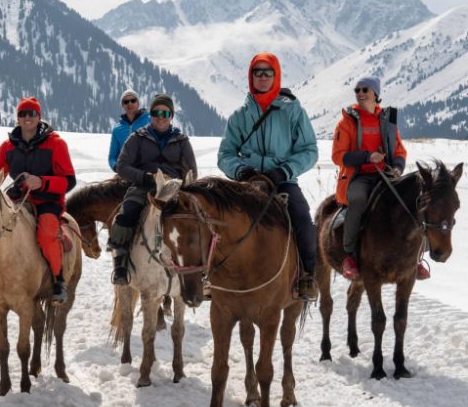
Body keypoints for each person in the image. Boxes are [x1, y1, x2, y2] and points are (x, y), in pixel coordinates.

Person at [218, 53, 319, 301]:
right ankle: (215, 277)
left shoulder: (293, 111)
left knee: (303, 220)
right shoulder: (240, 115)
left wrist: (284, 170)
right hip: (247, 180)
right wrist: (241, 170)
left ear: (276, 75)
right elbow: (225, 154)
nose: (262, 77)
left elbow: (310, 150)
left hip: (282, 179)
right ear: (251, 77)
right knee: (218, 221)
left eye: (267, 72)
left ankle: (307, 275)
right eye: (257, 72)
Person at [0, 97, 77, 303]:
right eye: (22, 114)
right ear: (17, 118)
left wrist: (42, 182)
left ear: (39, 117)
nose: (27, 118)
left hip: (48, 200)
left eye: (31, 114)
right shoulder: (8, 146)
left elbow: (69, 180)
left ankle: (58, 280)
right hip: (18, 197)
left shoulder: (56, 143)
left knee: (46, 234)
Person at [331, 76, 415, 281]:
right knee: (358, 201)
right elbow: (338, 156)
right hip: (359, 175)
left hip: (385, 174)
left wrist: (397, 167)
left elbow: (399, 151)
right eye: (357, 90)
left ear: (375, 94)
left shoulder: (387, 120)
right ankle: (349, 256)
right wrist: (367, 157)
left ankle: (415, 257)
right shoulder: (346, 122)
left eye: (364, 90)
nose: (360, 93)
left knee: (410, 200)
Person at [108, 94, 197, 284]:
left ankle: (198, 267)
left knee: (194, 219)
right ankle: (121, 265)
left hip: (173, 189)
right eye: (156, 112)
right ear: (151, 114)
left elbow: (191, 170)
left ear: (171, 115)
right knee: (126, 214)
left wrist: (181, 184)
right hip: (143, 187)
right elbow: (122, 166)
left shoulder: (181, 140)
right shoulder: (137, 137)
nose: (161, 116)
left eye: (165, 112)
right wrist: (144, 177)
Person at [108, 88, 151, 171]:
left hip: (148, 170)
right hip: (126, 172)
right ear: (122, 105)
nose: (129, 104)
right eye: (126, 102)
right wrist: (116, 167)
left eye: (133, 100)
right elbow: (112, 157)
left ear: (138, 103)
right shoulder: (117, 129)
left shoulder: (150, 121)